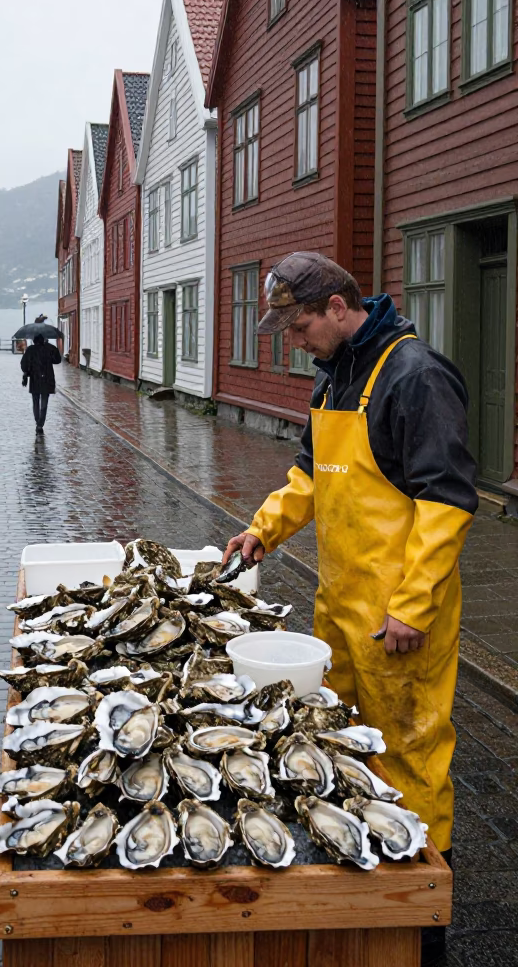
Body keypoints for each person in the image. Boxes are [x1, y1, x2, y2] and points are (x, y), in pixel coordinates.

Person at [222, 252, 476, 959]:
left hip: (402, 614)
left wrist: (414, 605)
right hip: (342, 606)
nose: (295, 341)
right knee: (348, 751)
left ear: (339, 307)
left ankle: (424, 915)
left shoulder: (414, 375)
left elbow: (446, 501)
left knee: (413, 757)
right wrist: (263, 529)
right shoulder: (334, 375)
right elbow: (309, 473)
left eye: (301, 327)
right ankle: (362, 900)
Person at [21, 332, 61, 432]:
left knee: (35, 402)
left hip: (35, 379)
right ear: (43, 340)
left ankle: (37, 420)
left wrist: (26, 373)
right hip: (47, 379)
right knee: (44, 402)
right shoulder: (49, 348)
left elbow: (24, 364)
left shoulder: (30, 349)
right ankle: (40, 423)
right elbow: (57, 360)